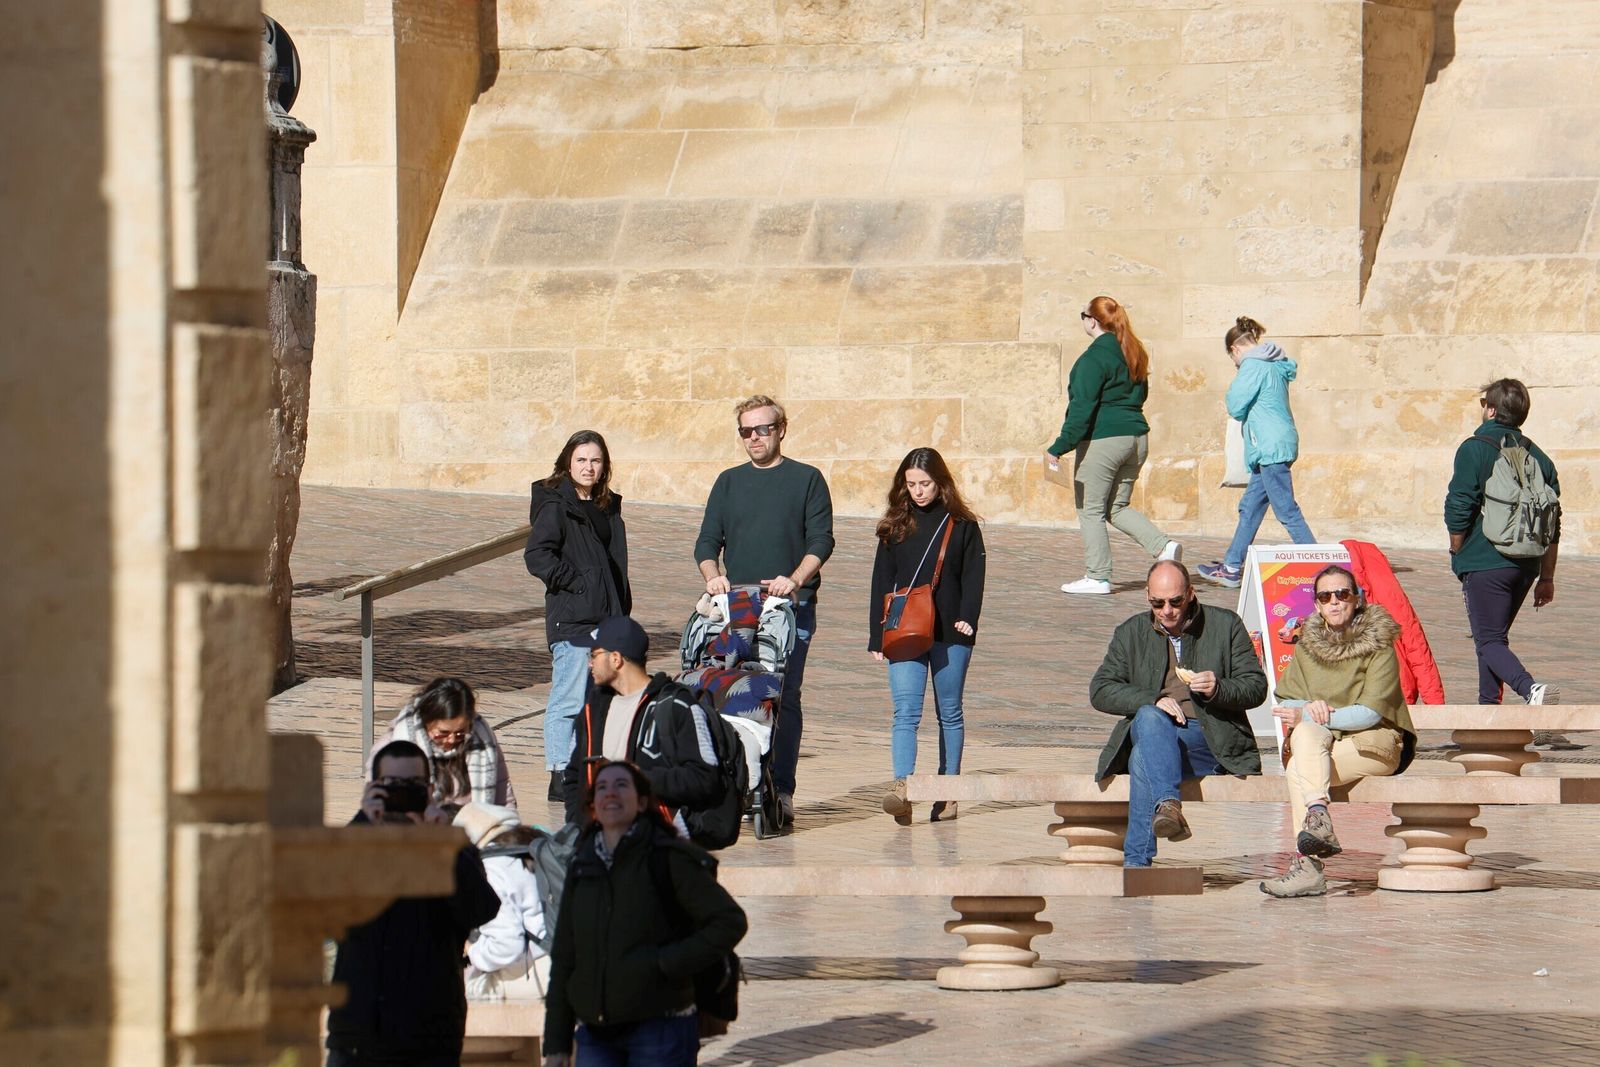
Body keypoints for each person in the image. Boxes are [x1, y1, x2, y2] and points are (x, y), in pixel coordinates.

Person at [543, 760, 748, 1067]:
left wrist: (666, 963)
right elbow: (565, 956)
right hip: (596, 1033)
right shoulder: (582, 864)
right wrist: (557, 1042)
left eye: (621, 785)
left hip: (660, 1029)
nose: (610, 793)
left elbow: (728, 921)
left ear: (641, 802)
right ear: (593, 806)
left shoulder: (667, 857)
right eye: (602, 787)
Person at [694, 395, 835, 825]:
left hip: (789, 610)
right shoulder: (728, 482)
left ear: (781, 429)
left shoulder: (806, 479)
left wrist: (794, 579)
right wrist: (711, 576)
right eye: (746, 431)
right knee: (733, 696)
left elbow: (821, 541)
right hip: (737, 610)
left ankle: (782, 789)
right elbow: (705, 544)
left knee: (783, 696)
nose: (754, 437)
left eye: (763, 429)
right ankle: (740, 783)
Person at [327, 741, 502, 1066]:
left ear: (430, 789)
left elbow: (482, 910)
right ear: (372, 787)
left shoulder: (451, 845)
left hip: (428, 1041)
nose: (402, 794)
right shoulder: (354, 842)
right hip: (357, 1037)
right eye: (391, 785)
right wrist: (364, 823)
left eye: (413, 786)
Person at [1089, 561, 1268, 867]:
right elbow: (1100, 690)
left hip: (1209, 736)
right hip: (1154, 731)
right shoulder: (1131, 632)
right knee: (1148, 720)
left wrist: (1218, 688)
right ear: (1147, 596)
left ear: (1191, 593)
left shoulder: (1225, 625)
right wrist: (1153, 699)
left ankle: (1137, 864)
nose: (1167, 611)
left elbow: (1256, 687)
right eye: (1157, 603)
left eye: (1175, 601)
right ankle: (1168, 805)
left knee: (1141, 757)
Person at [1260, 565, 1418, 898]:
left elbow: (1370, 712)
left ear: (1356, 600)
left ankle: (1308, 867)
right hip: (1323, 745)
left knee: (1298, 769)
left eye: (1342, 594)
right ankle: (1319, 816)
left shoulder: (1379, 645)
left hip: (1374, 744)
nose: (1334, 602)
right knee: (1303, 738)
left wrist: (1318, 713)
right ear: (1316, 605)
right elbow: (1289, 697)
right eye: (1325, 596)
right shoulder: (1306, 645)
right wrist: (1308, 710)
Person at [868, 447, 986, 825]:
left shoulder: (962, 523)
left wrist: (969, 617)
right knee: (905, 712)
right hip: (904, 629)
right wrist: (876, 634)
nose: (918, 491)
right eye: (911, 484)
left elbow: (973, 576)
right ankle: (903, 788)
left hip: (951, 630)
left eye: (925, 484)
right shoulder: (895, 525)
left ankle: (948, 793)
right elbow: (881, 582)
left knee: (949, 712)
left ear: (941, 482)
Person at [1045, 295, 1182, 595]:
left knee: (1089, 509)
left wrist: (1058, 447)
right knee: (1116, 507)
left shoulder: (1093, 358)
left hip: (1104, 440)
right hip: (1137, 438)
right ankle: (1164, 547)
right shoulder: (1132, 351)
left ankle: (1097, 576)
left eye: (1083, 315)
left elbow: (1082, 409)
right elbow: (1140, 396)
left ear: (1091, 320)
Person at [525, 430, 631, 801]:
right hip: (573, 618)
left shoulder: (606, 505)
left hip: (607, 619)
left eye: (596, 460)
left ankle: (589, 769)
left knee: (602, 698)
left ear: (605, 466)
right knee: (568, 699)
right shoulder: (556, 504)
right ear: (568, 462)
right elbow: (537, 555)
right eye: (582, 459)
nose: (589, 466)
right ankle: (558, 774)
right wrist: (577, 584)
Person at [1445, 378, 1562, 705]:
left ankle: (1531, 690)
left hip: (1485, 561)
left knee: (1489, 641)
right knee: (1492, 639)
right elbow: (1553, 524)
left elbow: (1458, 504)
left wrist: (1457, 547)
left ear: (1492, 409)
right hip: (1526, 565)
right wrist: (1547, 577)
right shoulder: (1539, 456)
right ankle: (1488, 713)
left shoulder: (1475, 447)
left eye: (1484, 403)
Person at [560, 616, 721, 834]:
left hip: (657, 847)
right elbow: (573, 776)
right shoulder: (592, 710)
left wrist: (643, 779)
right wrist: (579, 827)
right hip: (599, 847)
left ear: (616, 659)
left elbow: (705, 779)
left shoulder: (677, 707)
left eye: (594, 655)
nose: (589, 663)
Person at [1198, 317, 1317, 589]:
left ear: (1235, 349)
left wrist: (1238, 381)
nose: (1235, 364)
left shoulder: (1252, 364)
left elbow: (1236, 404)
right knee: (1250, 508)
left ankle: (1321, 568)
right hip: (1276, 444)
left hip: (1269, 447)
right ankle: (1231, 566)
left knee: (1286, 510)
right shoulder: (1274, 363)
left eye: (1233, 359)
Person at [377, 677, 515, 816]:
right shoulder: (392, 747)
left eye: (461, 732)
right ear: (426, 721)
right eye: (443, 733)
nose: (452, 739)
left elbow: (504, 799)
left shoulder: (483, 741)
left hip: (473, 832)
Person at [455, 803, 550, 1001]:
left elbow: (507, 946)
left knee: (460, 989)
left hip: (537, 971)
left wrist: (472, 950)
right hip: (561, 958)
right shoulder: (528, 846)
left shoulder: (491, 868)